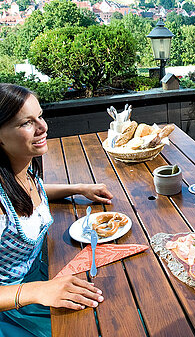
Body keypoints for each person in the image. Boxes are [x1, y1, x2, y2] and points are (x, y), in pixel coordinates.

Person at [0, 83, 114, 337]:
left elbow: (32, 194)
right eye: (26, 123)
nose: (43, 127)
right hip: (15, 307)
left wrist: (78, 188)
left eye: (40, 116)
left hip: (44, 272)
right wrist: (39, 290)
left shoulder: (22, 171)